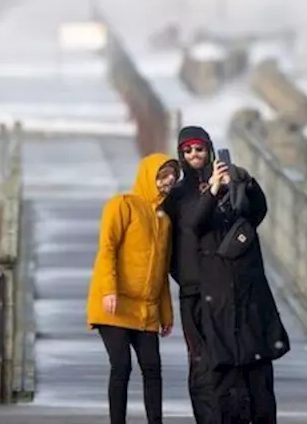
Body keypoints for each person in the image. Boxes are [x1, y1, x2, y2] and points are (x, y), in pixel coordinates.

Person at [183, 144, 289, 424]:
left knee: (260, 387)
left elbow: (259, 208)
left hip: (251, 304)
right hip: (218, 306)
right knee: (226, 386)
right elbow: (195, 222)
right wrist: (214, 189)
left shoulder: (243, 213)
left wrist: (244, 182)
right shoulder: (203, 218)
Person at [86, 152, 179, 424]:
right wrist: (108, 291)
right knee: (121, 366)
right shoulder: (122, 205)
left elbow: (160, 271)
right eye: (163, 175)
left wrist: (166, 313)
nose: (169, 180)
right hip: (114, 305)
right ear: (149, 176)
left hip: (146, 311)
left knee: (152, 368)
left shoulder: (165, 221)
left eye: (173, 175)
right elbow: (107, 249)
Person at [164, 125, 223, 422]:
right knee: (198, 360)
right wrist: (182, 274)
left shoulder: (226, 185)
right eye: (187, 151)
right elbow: (186, 226)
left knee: (222, 358)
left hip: (222, 287)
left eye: (199, 149)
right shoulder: (177, 195)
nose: (194, 155)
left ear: (209, 149)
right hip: (192, 289)